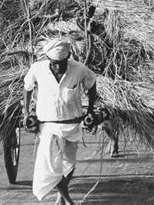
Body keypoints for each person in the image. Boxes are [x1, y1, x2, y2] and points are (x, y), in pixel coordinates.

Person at [23, 38, 97, 205]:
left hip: (72, 123)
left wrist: (90, 109)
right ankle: (68, 199)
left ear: (68, 56)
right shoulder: (37, 69)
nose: (58, 66)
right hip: (47, 125)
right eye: (54, 63)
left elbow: (92, 84)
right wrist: (26, 112)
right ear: (48, 58)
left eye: (61, 63)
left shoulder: (79, 69)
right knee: (50, 165)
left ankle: (61, 196)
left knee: (69, 163)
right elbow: (27, 87)